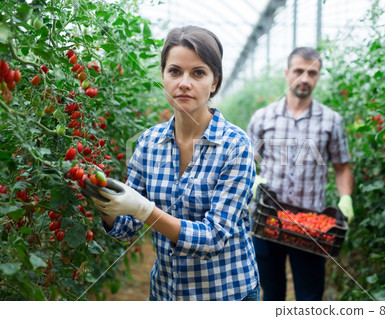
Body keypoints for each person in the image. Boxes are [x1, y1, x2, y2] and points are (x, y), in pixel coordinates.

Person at [82, 26, 259, 301]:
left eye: (198, 73)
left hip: (226, 294)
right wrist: (105, 202)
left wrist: (143, 208)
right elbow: (125, 228)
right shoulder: (149, 143)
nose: (184, 83)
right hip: (167, 293)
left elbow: (214, 237)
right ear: (163, 77)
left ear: (214, 82)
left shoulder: (235, 145)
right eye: (175, 71)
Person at [247, 47, 354, 301]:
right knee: (271, 293)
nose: (305, 78)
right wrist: (252, 180)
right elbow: (247, 162)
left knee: (309, 296)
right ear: (287, 73)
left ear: (318, 77)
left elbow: (342, 167)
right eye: (299, 71)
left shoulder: (331, 121)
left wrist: (345, 197)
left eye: (312, 73)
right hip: (267, 219)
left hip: (311, 225)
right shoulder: (263, 118)